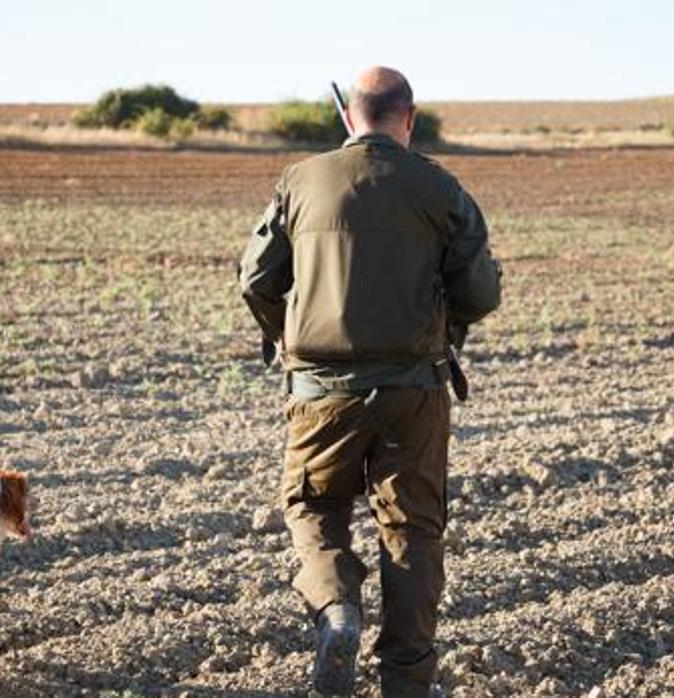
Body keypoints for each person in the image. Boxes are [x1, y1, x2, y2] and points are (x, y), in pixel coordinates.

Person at [238, 66, 501, 698]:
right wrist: (442, 323)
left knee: (314, 507)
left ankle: (336, 610)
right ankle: (407, 686)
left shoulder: (301, 180)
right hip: (414, 392)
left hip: (320, 394)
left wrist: (288, 338)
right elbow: (481, 292)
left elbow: (255, 280)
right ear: (408, 120)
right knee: (412, 530)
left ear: (350, 119)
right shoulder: (439, 187)